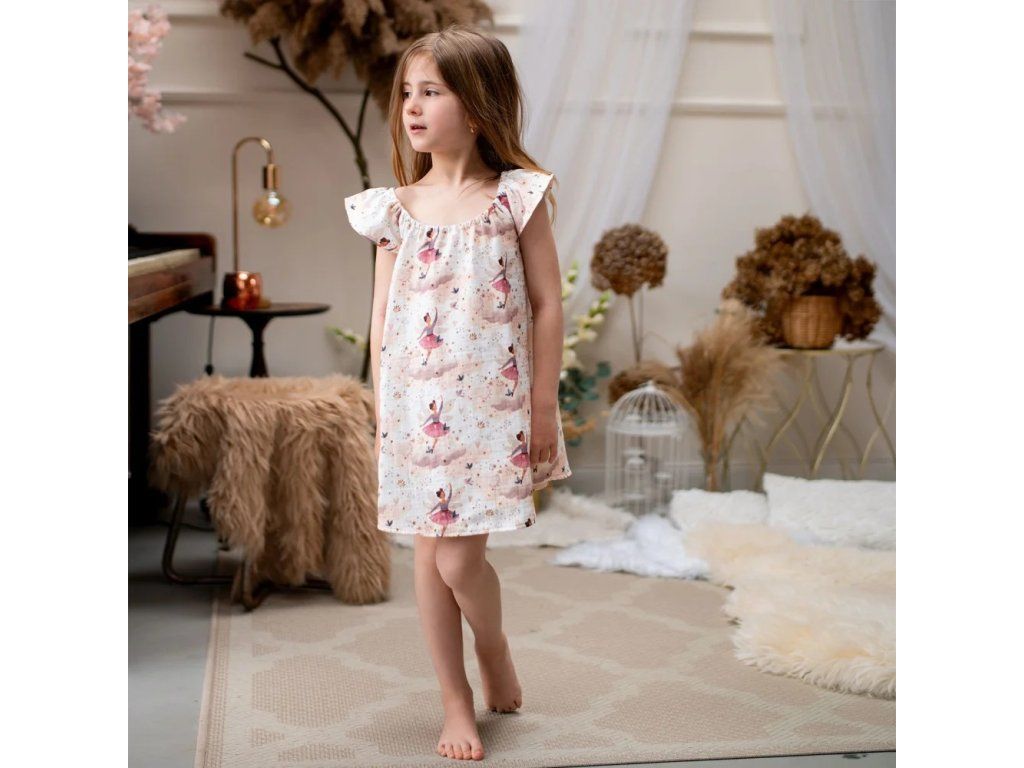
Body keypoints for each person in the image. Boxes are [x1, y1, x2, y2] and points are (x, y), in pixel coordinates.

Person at [344, 24, 572, 763]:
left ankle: (493, 645)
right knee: (426, 557)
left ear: (475, 108)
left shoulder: (517, 198)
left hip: (492, 411)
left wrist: (543, 405)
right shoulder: (393, 208)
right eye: (407, 93)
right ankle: (455, 699)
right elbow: (381, 314)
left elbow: (548, 304)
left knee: (457, 563)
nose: (411, 106)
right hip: (417, 410)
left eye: (431, 92)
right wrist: (385, 405)